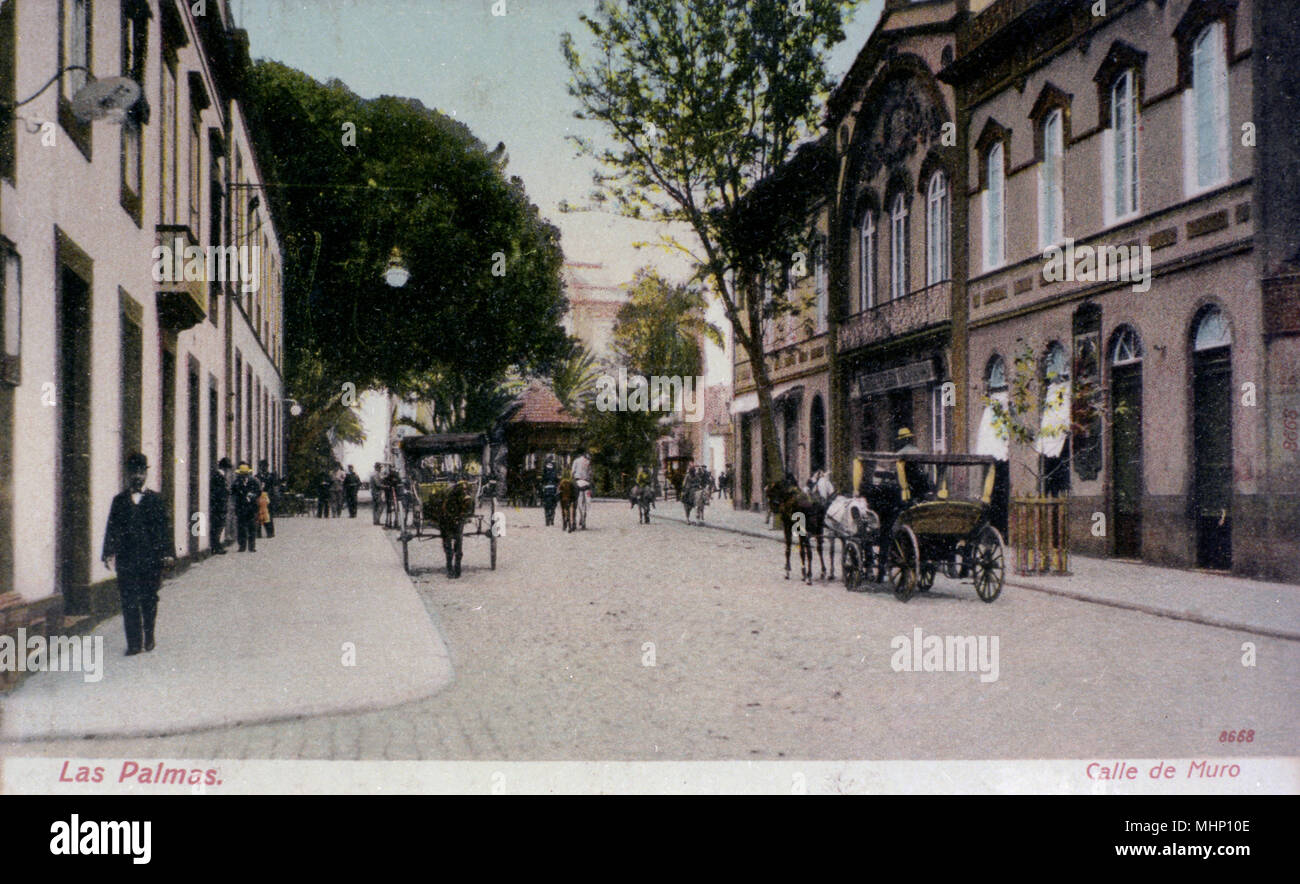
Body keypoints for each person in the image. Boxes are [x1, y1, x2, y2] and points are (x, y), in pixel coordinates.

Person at [102, 453, 173, 655]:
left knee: (149, 599)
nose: (137, 476)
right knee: (128, 601)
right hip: (126, 559)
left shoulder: (156, 500)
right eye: (133, 472)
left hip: (151, 560)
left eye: (141, 472)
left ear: (146, 474)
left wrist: (168, 553)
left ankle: (149, 635)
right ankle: (134, 643)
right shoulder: (119, 501)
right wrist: (108, 552)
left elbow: (165, 529)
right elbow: (111, 528)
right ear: (127, 474)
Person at [231, 462, 262, 551]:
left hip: (252, 507)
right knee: (241, 527)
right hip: (240, 507)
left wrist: (253, 495)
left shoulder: (254, 481)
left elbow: (259, 492)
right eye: (242, 474)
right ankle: (242, 546)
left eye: (245, 474)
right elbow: (233, 492)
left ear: (248, 473)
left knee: (252, 527)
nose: (243, 476)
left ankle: (252, 546)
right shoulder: (236, 482)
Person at [208, 457, 231, 555]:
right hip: (218, 505)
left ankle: (216, 546)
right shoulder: (219, 476)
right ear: (225, 468)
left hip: (219, 505)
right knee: (218, 526)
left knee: (218, 526)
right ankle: (216, 547)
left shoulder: (218, 476)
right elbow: (218, 492)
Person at [255, 459, 279, 538]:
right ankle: (258, 533)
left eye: (265, 467)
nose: (263, 468)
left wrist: (273, 497)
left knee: (268, 515)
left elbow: (274, 487)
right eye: (262, 466)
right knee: (258, 515)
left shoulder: (271, 476)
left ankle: (270, 532)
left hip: (268, 498)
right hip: (259, 497)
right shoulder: (256, 477)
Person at [540, 454, 559, 526]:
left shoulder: (545, 466)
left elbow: (543, 477)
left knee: (545, 504)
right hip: (553, 488)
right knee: (554, 504)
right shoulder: (554, 466)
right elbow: (556, 478)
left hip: (546, 487)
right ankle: (552, 519)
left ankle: (547, 519)